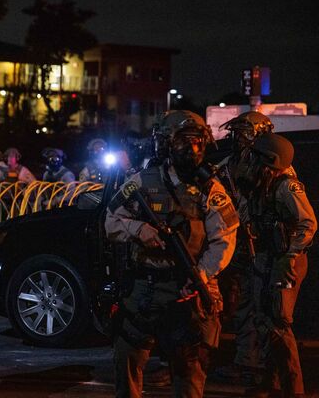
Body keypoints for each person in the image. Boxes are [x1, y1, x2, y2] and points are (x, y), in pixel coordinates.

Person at [105, 110, 238, 398]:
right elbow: (111, 221)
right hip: (146, 288)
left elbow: (224, 239)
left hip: (188, 289)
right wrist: (140, 230)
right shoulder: (142, 181)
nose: (190, 149)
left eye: (196, 141)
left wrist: (201, 273)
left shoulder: (210, 188)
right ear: (166, 143)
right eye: (182, 141)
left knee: (189, 371)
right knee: (127, 359)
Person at [240, 133, 316, 398]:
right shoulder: (262, 184)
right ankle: (271, 382)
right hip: (268, 257)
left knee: (278, 323)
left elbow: (308, 224)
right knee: (264, 320)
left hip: (286, 260)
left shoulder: (286, 186)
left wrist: (290, 257)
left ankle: (293, 389)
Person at [213, 111, 277, 385]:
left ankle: (261, 365)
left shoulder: (271, 164)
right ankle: (246, 361)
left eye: (242, 133)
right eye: (235, 133)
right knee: (241, 304)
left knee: (262, 307)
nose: (236, 138)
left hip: (262, 247)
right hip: (238, 243)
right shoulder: (231, 163)